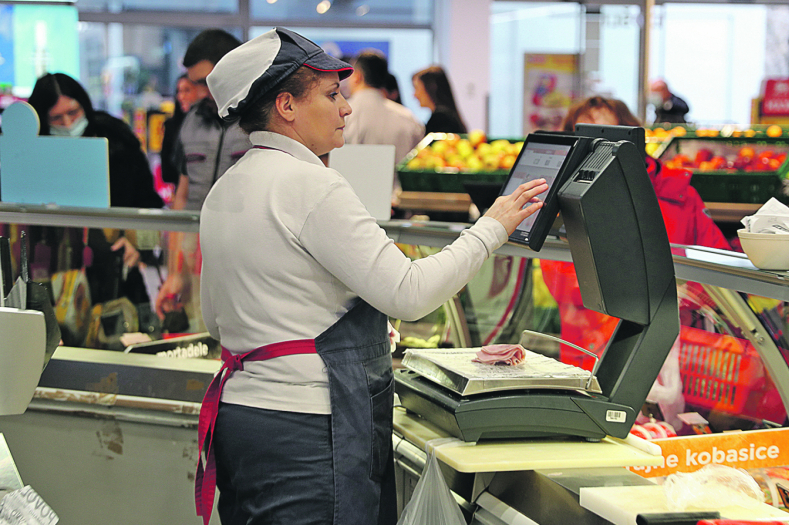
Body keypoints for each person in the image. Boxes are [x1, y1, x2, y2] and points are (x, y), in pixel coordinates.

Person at [195, 28, 548, 524]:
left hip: (245, 420)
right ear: (286, 106)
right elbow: (409, 291)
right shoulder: (310, 184)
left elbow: (217, 319)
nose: (347, 108)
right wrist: (492, 228)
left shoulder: (226, 188)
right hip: (309, 431)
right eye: (332, 94)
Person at [540, 95, 728, 368]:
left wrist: (681, 295)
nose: (595, 153)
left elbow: (718, 272)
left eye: (605, 142)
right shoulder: (564, 198)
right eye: (583, 142)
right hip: (589, 358)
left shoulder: (680, 195)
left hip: (674, 356)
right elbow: (562, 283)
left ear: (633, 143)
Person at [27, 73, 164, 327]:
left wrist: (139, 245)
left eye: (74, 112)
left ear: (84, 105)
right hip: (50, 273)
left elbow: (149, 202)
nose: (67, 123)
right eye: (56, 118)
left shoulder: (116, 139)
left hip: (115, 273)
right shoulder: (28, 152)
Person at [155, 29, 250, 326]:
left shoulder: (260, 119)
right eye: (194, 84)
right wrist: (175, 271)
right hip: (196, 249)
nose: (198, 92)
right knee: (199, 332)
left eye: (205, 83)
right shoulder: (190, 122)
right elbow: (182, 197)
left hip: (245, 251)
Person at [343, 50, 424, 198]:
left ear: (358, 76)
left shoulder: (344, 114)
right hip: (400, 205)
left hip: (354, 201)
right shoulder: (409, 118)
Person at [160, 74, 206, 186]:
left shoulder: (210, 126)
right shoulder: (171, 126)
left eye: (187, 90)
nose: (181, 97)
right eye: (179, 91)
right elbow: (166, 172)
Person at [412, 65, 467, 134]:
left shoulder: (441, 119)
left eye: (417, 88)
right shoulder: (445, 116)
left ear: (430, 88)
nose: (414, 95)